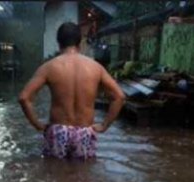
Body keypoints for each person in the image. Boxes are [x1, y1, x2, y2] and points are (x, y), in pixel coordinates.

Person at [18, 22, 125, 159]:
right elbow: (119, 97)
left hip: (57, 131)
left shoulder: (49, 67)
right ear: (80, 42)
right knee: (83, 175)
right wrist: (104, 125)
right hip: (85, 132)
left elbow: (24, 98)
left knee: (54, 173)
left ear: (58, 42)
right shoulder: (95, 67)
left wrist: (38, 125)